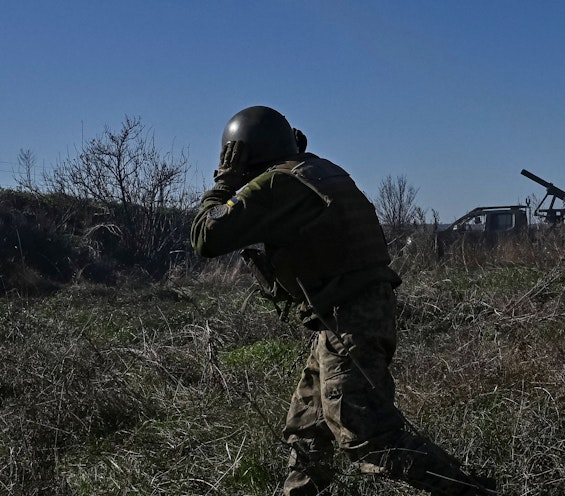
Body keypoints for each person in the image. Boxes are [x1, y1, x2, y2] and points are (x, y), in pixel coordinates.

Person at [190, 106, 495, 496]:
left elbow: (206, 237)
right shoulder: (316, 171)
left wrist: (224, 184)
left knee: (368, 437)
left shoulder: (277, 185)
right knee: (308, 430)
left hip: (351, 319)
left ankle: (473, 491)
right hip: (349, 316)